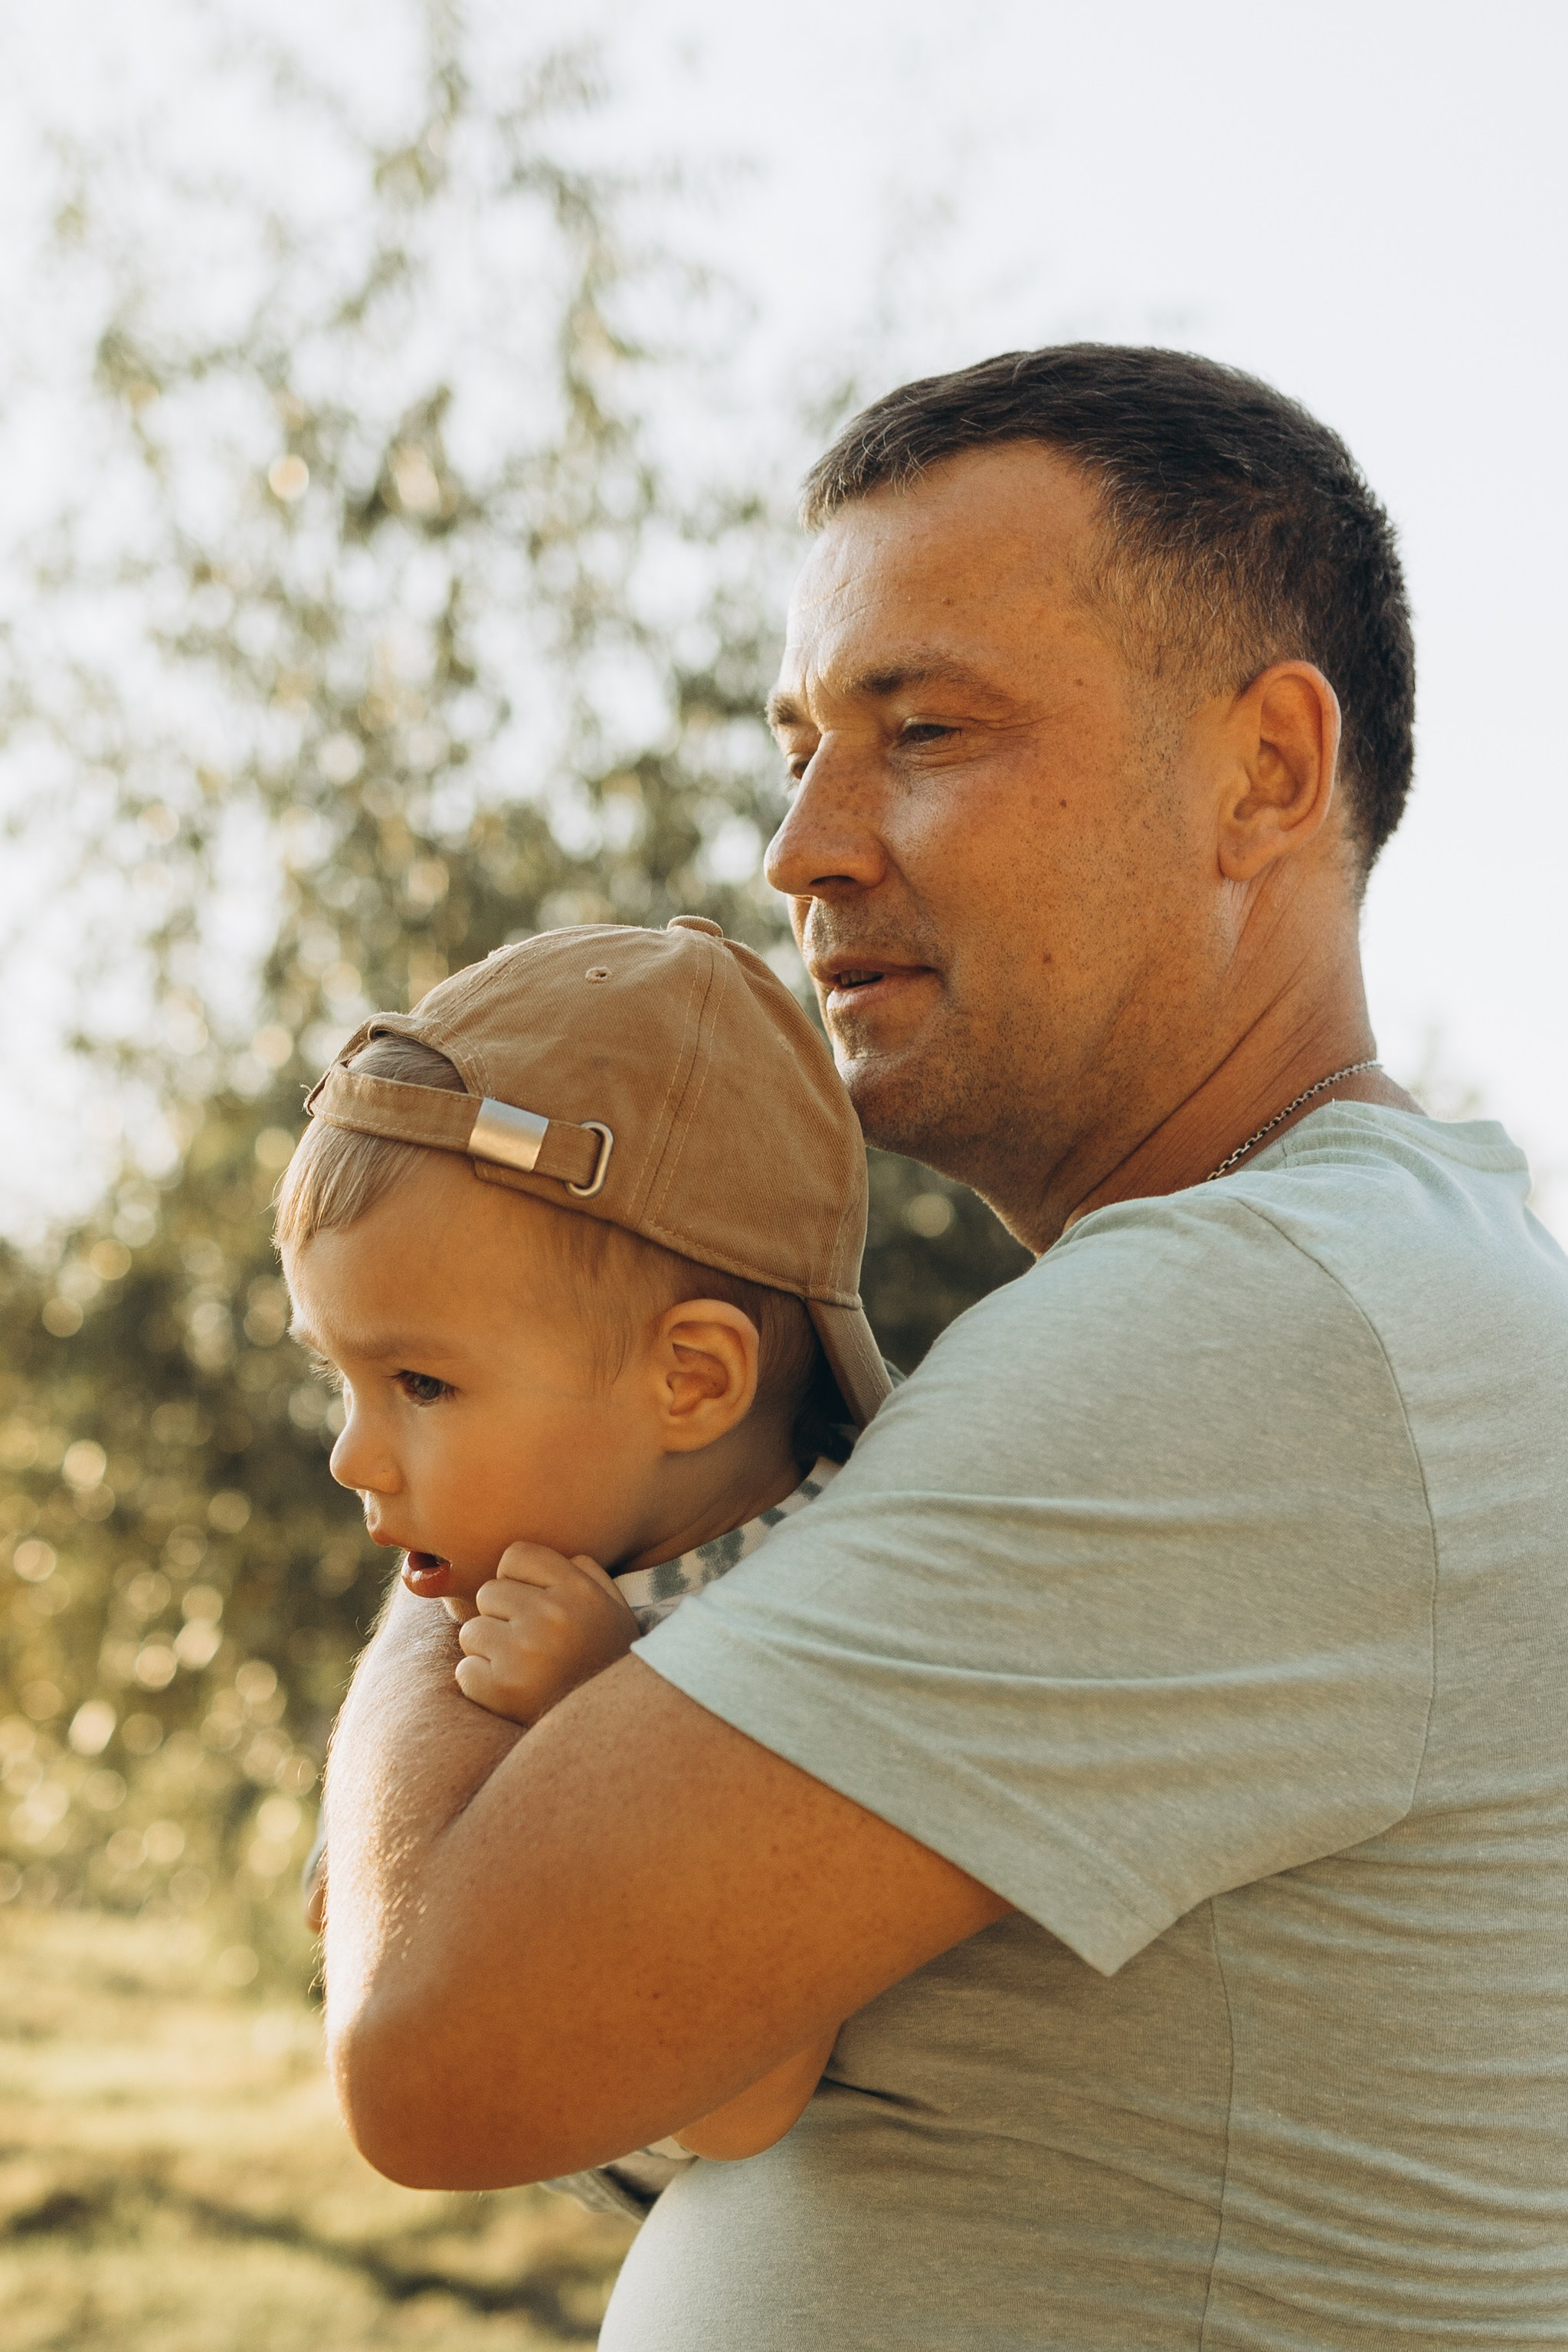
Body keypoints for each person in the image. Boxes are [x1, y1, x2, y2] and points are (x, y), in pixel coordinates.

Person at [319, 346, 1568, 2349]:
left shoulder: (1243, 1333)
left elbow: (435, 2041)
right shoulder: (1359, 1280)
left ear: (1266, 769)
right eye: (799, 740)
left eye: (925, 730)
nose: (801, 843)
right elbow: (739, 2071)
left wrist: (471, 1441)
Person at [278, 915, 892, 2173]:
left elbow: (741, 2097)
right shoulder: (581, 1558)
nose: (351, 1454)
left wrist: (606, 1712)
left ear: (692, 1379)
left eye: (422, 1384)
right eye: (340, 1378)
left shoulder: (823, 1612)